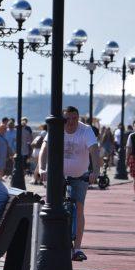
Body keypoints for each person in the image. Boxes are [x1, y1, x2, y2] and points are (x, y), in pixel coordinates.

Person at [38, 106, 99, 261]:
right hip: (57, 176)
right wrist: (42, 168)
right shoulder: (57, 128)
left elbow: (94, 150)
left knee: (79, 208)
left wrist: (95, 171)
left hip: (80, 175)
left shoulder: (86, 130)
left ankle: (77, 249)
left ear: (78, 118)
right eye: (67, 119)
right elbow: (44, 148)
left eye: (74, 118)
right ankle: (49, 242)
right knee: (51, 206)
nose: (71, 122)